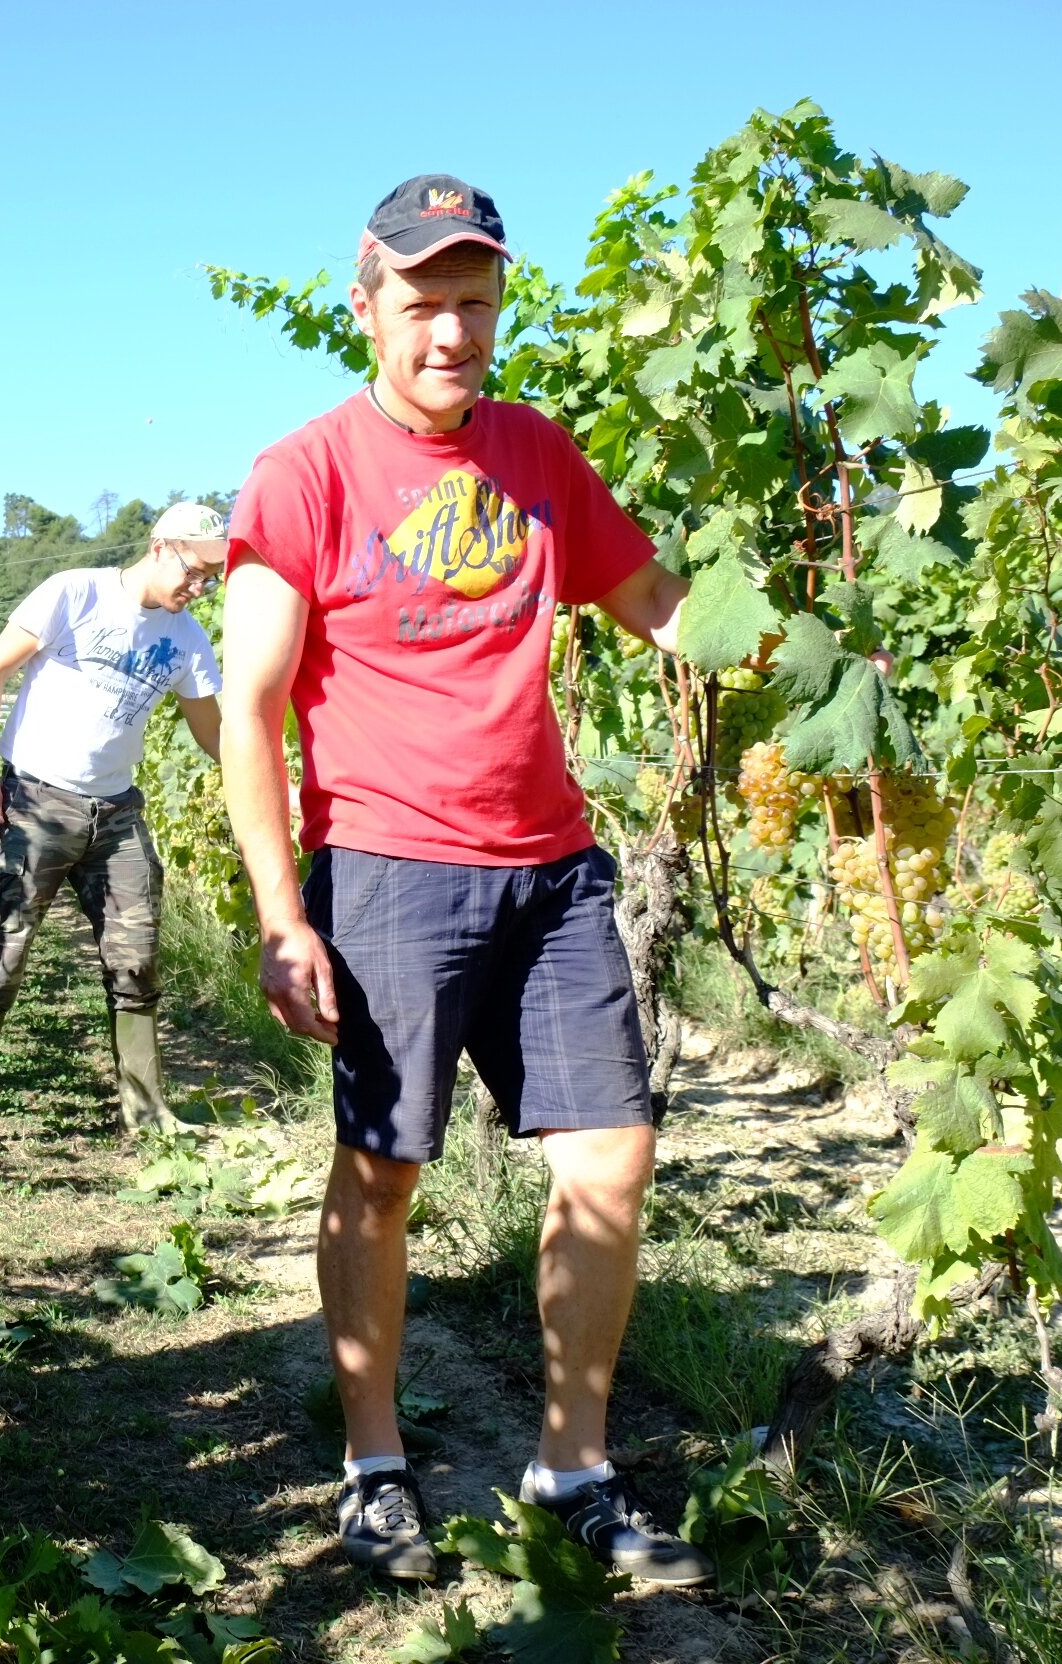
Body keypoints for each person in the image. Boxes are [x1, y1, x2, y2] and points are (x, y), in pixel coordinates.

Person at [219, 175, 715, 1588]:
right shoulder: (304, 473)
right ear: (366, 304)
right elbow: (252, 707)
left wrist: (809, 645)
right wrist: (278, 912)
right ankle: (376, 1466)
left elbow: (662, 609)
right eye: (425, 302)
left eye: (476, 305)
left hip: (551, 869)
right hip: (388, 866)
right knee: (384, 1173)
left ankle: (573, 1471)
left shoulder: (539, 456)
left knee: (612, 1160)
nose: (452, 332)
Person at [0, 504, 226, 1154]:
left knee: (137, 956)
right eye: (195, 571)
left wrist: (271, 781)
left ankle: (147, 1108)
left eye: (213, 579)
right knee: (6, 950)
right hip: (38, 801)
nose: (200, 588)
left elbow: (214, 734)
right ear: (160, 547)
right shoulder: (76, 593)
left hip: (118, 813)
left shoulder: (188, 640)